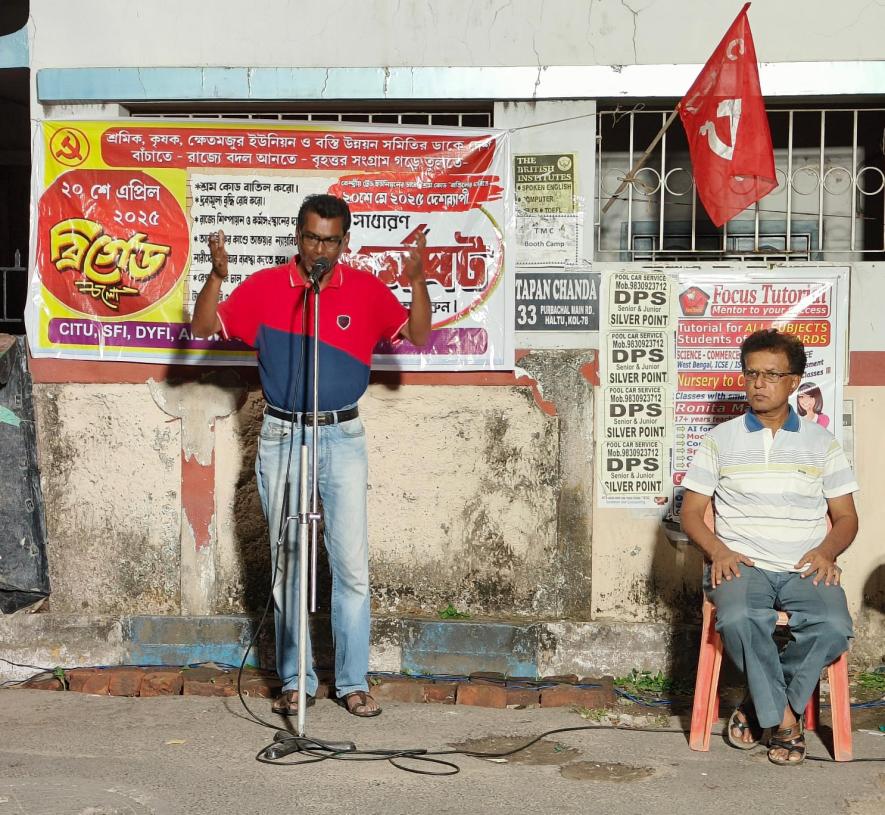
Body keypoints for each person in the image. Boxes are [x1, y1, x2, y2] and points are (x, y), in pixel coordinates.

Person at [191, 194, 431, 718]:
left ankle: (351, 681)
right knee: (289, 566)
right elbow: (204, 329)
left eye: (330, 240)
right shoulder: (267, 288)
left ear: (345, 243)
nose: (318, 250)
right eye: (310, 238)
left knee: (349, 567)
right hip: (284, 434)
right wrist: (216, 275)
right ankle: (295, 680)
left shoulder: (364, 291)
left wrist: (416, 281)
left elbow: (418, 334)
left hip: (341, 437)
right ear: (296, 237)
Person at [680, 329, 858, 766]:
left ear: (794, 382)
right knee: (739, 617)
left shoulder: (822, 443)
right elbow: (690, 511)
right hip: (743, 563)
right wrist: (718, 550)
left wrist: (826, 552)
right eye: (751, 374)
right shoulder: (721, 439)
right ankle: (783, 720)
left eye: (771, 375)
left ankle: (762, 705)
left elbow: (847, 518)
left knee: (834, 625)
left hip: (804, 565)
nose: (758, 384)